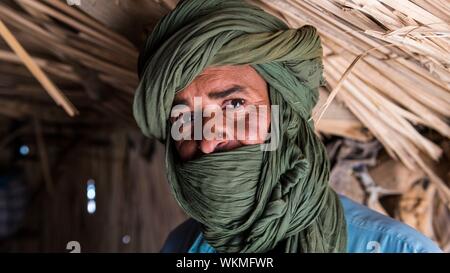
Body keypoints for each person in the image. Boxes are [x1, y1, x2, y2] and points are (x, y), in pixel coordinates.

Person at [133, 0, 442, 253]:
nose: (208, 142)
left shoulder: (399, 249)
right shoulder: (180, 248)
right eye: (183, 119)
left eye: (235, 105)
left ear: (285, 119)